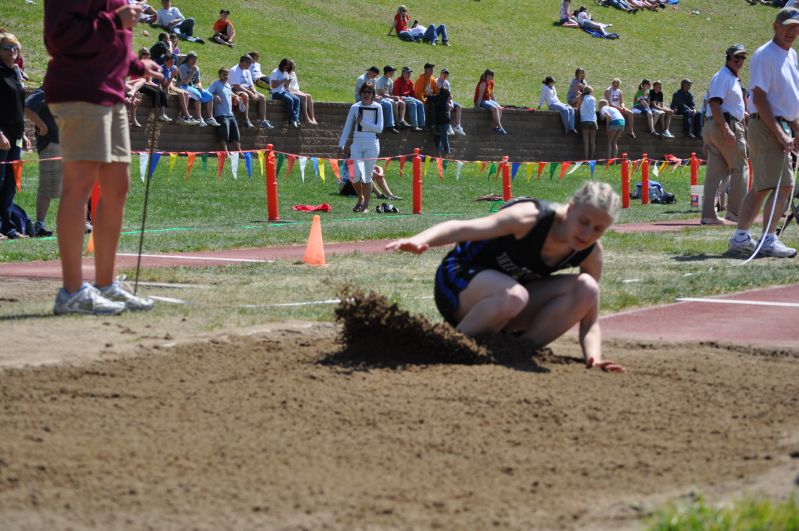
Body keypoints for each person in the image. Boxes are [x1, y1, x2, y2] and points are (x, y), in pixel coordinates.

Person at [385, 181, 625, 373]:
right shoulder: (530, 218)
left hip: (509, 300)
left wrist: (594, 356)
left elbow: (590, 320)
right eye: (583, 222)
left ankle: (517, 350)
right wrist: (420, 240)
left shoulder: (591, 253)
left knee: (588, 289)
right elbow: (463, 228)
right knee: (513, 296)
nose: (586, 234)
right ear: (571, 209)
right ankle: (444, 348)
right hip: (458, 281)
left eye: (597, 229)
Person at [44, 1, 159, 314]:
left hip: (110, 92)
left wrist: (136, 65)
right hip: (81, 90)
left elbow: (113, 41)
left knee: (117, 187)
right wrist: (115, 21)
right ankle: (71, 292)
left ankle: (105, 285)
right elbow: (58, 37)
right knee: (78, 188)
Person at [727, 8, 799, 258]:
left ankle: (741, 237)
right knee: (784, 185)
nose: (792, 31)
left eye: (796, 26)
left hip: (780, 124)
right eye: (787, 26)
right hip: (768, 125)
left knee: (762, 185)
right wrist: (780, 132)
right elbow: (759, 96)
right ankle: (768, 238)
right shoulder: (765, 55)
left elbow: (789, 97)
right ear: (775, 26)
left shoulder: (791, 55)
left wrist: (795, 128)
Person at [701, 45, 749, 226]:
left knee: (715, 172)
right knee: (740, 167)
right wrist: (727, 129)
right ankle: (735, 213)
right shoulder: (724, 76)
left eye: (743, 57)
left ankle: (708, 215)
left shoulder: (728, 77)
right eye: (736, 57)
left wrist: (739, 112)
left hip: (716, 125)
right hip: (725, 125)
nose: (739, 61)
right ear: (728, 58)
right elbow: (714, 104)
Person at [0, 32, 31, 240]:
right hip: (1, 137)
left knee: (11, 183)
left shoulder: (15, 73)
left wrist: (24, 133)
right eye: (8, 48)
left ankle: (8, 227)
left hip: (16, 136)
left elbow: (18, 106)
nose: (12, 52)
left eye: (15, 48)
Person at [338, 83, 383, 213]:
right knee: (354, 176)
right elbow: (347, 127)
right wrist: (341, 144)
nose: (366, 94)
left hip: (372, 144)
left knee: (367, 176)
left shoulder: (378, 107)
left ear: (373, 94)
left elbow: (379, 129)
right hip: (357, 144)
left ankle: (365, 206)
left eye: (369, 92)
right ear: (360, 93)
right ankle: (360, 198)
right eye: (364, 91)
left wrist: (362, 122)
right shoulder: (355, 107)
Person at [24, 87, 61, 237]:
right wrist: (43, 127)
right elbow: (27, 107)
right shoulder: (47, 88)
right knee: (47, 186)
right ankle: (39, 224)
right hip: (51, 143)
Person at [177, 51, 219, 128]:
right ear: (188, 59)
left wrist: (200, 87)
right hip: (184, 86)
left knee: (209, 96)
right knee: (197, 95)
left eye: (196, 59)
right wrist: (192, 72)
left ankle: (210, 118)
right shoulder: (182, 67)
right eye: (193, 59)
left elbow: (198, 81)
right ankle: (199, 118)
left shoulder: (197, 68)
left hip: (194, 87)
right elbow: (185, 82)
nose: (194, 61)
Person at [231, 55, 274, 129]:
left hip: (246, 89)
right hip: (235, 90)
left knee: (262, 97)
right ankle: (246, 120)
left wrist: (254, 92)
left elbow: (251, 84)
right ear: (244, 62)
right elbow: (237, 87)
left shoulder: (247, 71)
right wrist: (250, 93)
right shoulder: (234, 70)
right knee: (245, 95)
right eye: (249, 63)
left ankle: (263, 121)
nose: (251, 65)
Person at [131, 48, 171, 123]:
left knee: (162, 92)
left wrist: (155, 85)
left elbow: (148, 80)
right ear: (140, 54)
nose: (146, 55)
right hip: (137, 84)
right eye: (144, 54)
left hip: (145, 84)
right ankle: (156, 113)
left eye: (147, 54)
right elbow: (140, 80)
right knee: (155, 93)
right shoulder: (138, 64)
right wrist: (153, 86)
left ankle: (162, 114)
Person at [207, 67, 241, 153]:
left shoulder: (228, 85)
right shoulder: (216, 83)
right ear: (219, 75)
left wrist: (235, 96)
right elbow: (207, 92)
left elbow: (229, 93)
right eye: (224, 74)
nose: (226, 76)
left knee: (235, 134)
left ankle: (239, 152)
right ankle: (225, 152)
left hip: (230, 114)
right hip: (221, 114)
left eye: (227, 74)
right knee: (223, 135)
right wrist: (214, 96)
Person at [356, 66, 396, 133]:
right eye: (374, 75)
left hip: (371, 98)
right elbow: (362, 93)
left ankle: (390, 125)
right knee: (378, 106)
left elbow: (373, 92)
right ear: (370, 72)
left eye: (376, 76)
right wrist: (374, 98)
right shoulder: (361, 79)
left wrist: (377, 96)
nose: (375, 77)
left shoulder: (373, 79)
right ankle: (377, 125)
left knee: (388, 104)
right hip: (361, 99)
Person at [160, 53, 197, 125]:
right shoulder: (161, 69)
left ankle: (183, 117)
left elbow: (175, 81)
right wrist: (172, 77)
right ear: (165, 61)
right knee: (181, 93)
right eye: (170, 62)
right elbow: (165, 85)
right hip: (165, 86)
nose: (172, 64)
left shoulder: (173, 67)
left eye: (173, 62)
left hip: (171, 85)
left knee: (186, 93)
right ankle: (187, 116)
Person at [269, 58, 301, 128]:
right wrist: (283, 80)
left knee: (297, 99)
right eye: (286, 67)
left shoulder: (286, 73)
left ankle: (294, 119)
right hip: (275, 92)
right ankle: (290, 119)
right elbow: (273, 86)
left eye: (288, 68)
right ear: (282, 65)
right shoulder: (275, 72)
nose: (286, 69)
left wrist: (288, 81)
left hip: (283, 91)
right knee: (290, 100)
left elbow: (285, 86)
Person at [474, 69, 506, 134]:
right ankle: (500, 127)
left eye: (492, 76)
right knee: (494, 109)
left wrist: (496, 103)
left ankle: (495, 126)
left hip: (487, 100)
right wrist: (477, 106)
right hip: (480, 100)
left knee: (500, 108)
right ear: (487, 76)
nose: (491, 78)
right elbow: (480, 96)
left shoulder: (491, 82)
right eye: (490, 76)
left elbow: (491, 94)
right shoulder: (483, 83)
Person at [393, 66, 425, 131]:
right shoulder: (398, 81)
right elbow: (396, 94)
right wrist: (403, 99)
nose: (409, 74)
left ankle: (422, 125)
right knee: (413, 104)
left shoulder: (410, 82)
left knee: (420, 103)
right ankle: (414, 126)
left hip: (409, 97)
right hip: (401, 97)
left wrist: (415, 99)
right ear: (403, 73)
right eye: (407, 73)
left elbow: (412, 93)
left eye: (409, 73)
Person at [286, 60, 317, 125]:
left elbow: (295, 86)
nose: (294, 68)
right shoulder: (287, 74)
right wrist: (299, 92)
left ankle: (312, 117)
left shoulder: (293, 74)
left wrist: (300, 91)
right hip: (289, 92)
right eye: (293, 67)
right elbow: (287, 88)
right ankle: (306, 118)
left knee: (309, 96)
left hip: (296, 91)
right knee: (304, 96)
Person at [437, 68, 466, 136]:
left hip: (447, 100)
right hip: (440, 101)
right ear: (441, 74)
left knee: (458, 106)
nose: (445, 75)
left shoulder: (447, 83)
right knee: (448, 106)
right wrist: (449, 103)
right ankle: (448, 125)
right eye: (444, 74)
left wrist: (452, 103)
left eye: (446, 74)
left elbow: (449, 95)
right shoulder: (436, 81)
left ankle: (457, 126)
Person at [414, 62, 439, 129]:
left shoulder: (433, 79)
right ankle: (423, 125)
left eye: (432, 69)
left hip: (431, 98)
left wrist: (435, 97)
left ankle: (434, 125)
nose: (432, 70)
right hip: (421, 98)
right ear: (425, 70)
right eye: (430, 69)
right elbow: (418, 93)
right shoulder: (420, 79)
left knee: (436, 105)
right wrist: (424, 101)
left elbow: (436, 91)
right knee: (425, 106)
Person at [432, 87, 452, 157]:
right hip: (444, 121)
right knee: (443, 138)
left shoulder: (440, 98)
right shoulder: (445, 99)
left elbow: (432, 99)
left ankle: (441, 155)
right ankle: (444, 155)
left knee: (439, 137)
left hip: (440, 121)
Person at [579, 85, 597, 160]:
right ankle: (592, 159)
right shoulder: (593, 98)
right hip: (593, 121)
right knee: (592, 141)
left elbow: (578, 108)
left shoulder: (582, 97)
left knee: (586, 141)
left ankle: (586, 159)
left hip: (585, 121)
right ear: (591, 92)